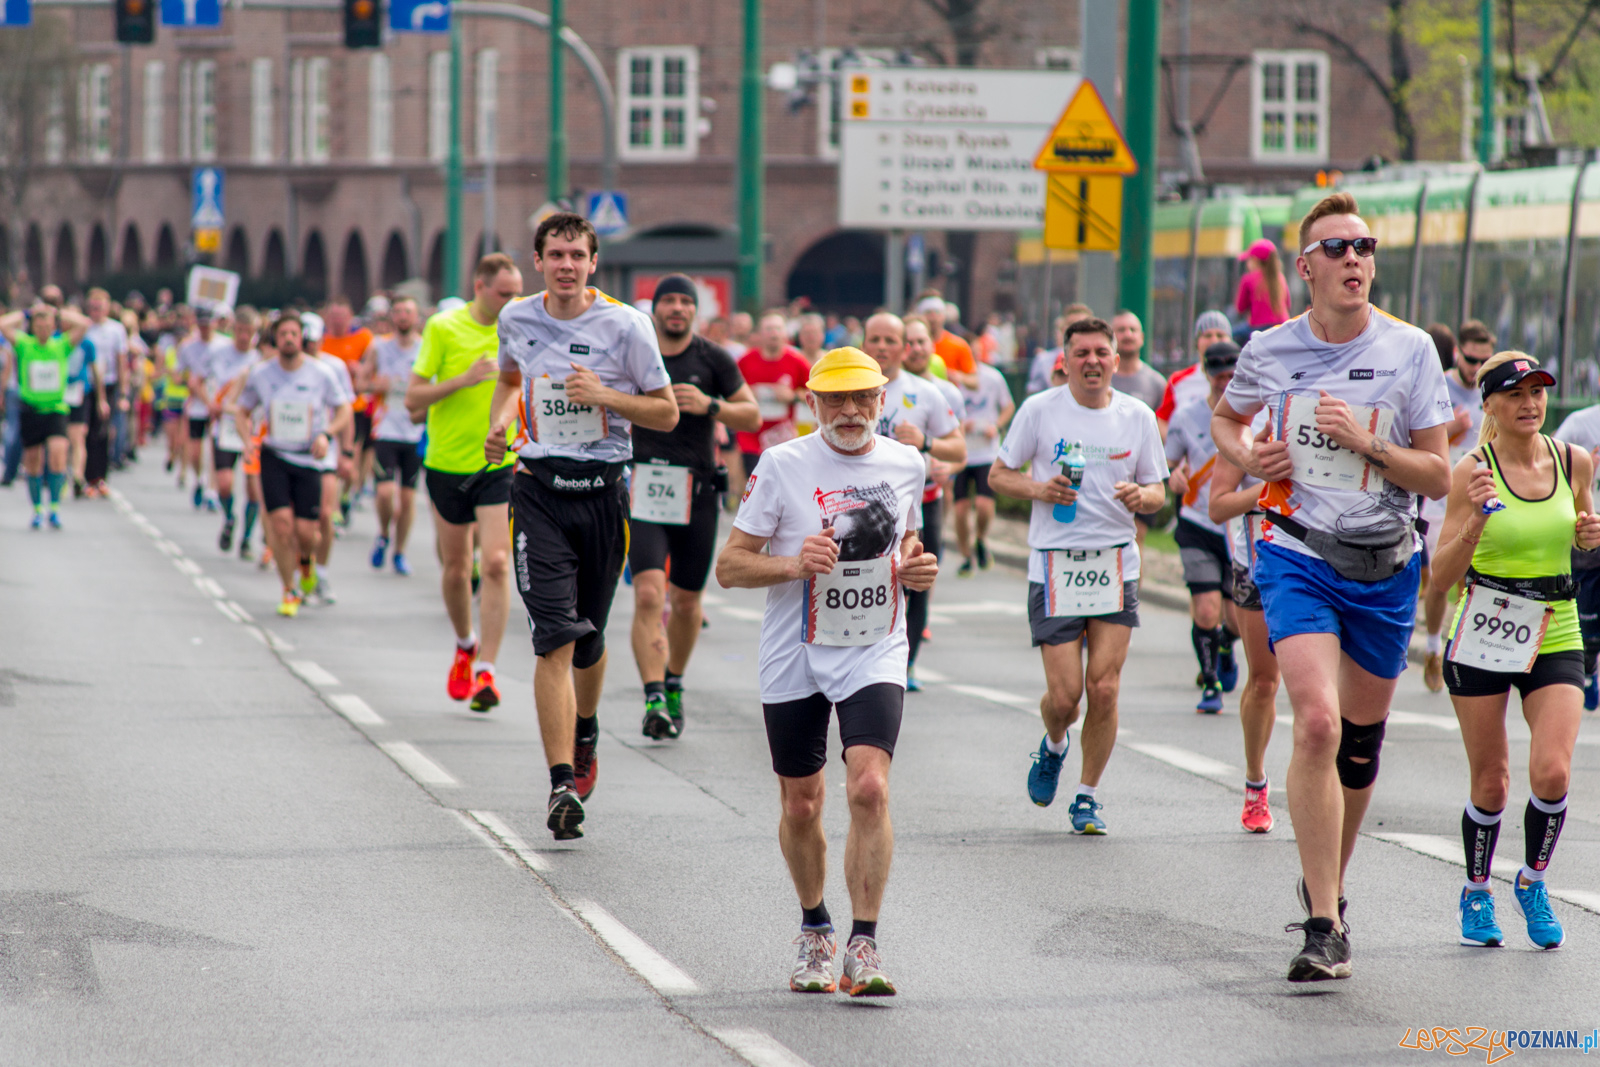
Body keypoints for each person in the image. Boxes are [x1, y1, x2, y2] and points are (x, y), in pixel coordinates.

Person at [1211, 191, 1452, 982]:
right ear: (1305, 268)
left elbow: (1437, 471)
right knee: (1313, 721)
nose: (1355, 258)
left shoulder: (1412, 349)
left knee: (1357, 743)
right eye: (1338, 248)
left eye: (1365, 246)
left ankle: (1331, 887)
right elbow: (1226, 419)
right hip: (1297, 550)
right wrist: (1249, 460)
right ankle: (1322, 921)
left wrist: (1368, 444)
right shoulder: (1268, 348)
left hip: (1384, 565)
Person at [716, 346, 938, 997]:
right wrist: (792, 563)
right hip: (796, 650)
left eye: (861, 397)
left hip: (875, 645)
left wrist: (915, 564)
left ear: (880, 400)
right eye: (834, 399)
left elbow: (907, 543)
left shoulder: (905, 461)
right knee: (802, 799)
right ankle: (816, 928)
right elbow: (730, 566)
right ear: (812, 403)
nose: (849, 411)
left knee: (869, 787)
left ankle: (862, 944)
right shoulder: (782, 465)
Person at [485, 212, 678, 840]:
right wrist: (498, 424)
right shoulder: (515, 317)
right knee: (555, 637)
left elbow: (667, 413)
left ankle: (586, 728)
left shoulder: (627, 325)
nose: (566, 264)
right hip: (537, 489)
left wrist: (608, 398)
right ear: (537, 261)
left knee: (589, 640)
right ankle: (561, 782)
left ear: (593, 264)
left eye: (577, 254)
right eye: (555, 254)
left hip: (603, 496)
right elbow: (512, 377)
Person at [1429, 352, 1593, 951]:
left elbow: (1581, 525)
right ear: (1490, 406)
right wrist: (1473, 521)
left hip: (1556, 626)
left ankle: (1533, 880)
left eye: (1538, 391)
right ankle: (1476, 892)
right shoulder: (1469, 471)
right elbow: (1439, 577)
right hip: (1485, 629)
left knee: (1551, 771)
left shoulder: (1572, 459)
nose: (1530, 403)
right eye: (1516, 393)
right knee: (1493, 782)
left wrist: (1589, 533)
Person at [990, 317, 1168, 835]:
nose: (1092, 361)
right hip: (1054, 564)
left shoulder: (1137, 416)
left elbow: (1158, 490)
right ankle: (1054, 745)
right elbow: (998, 475)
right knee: (1066, 698)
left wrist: (1143, 498)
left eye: (1101, 352)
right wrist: (1039, 490)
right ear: (1064, 361)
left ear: (1116, 360)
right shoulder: (1039, 411)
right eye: (1081, 353)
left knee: (1105, 689)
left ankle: (1087, 796)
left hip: (1116, 562)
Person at [628, 274, 760, 739]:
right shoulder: (637, 349)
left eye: (686, 301)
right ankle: (653, 696)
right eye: (670, 301)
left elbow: (752, 413)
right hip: (645, 485)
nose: (677, 309)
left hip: (698, 490)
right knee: (648, 594)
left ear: (695, 311)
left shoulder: (712, 357)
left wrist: (710, 405)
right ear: (656, 308)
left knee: (685, 602)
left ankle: (674, 681)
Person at [406, 253, 524, 712]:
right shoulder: (443, 327)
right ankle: (464, 642)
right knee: (457, 569)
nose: (513, 301)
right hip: (447, 464)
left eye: (518, 293)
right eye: (504, 293)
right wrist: (464, 378)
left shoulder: (522, 329)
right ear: (480, 286)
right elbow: (414, 398)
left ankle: (487, 672)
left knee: (496, 563)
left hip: (498, 463)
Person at [863, 313, 964, 690]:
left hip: (920, 507)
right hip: (863, 510)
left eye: (891, 340)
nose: (883, 347)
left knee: (915, 583)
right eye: (875, 339)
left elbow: (959, 448)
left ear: (905, 348)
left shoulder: (925, 392)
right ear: (863, 345)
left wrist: (927, 444)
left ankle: (904, 666)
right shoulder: (851, 391)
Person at [234, 314, 353, 617]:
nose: (288, 338)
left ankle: (307, 563)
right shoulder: (261, 373)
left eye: (294, 333)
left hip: (309, 457)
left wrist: (327, 435)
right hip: (275, 455)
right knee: (281, 526)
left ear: (302, 338)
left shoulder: (321, 373)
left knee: (306, 532)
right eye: (283, 333)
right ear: (275, 339)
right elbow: (242, 410)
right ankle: (289, 589)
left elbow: (343, 409)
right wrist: (248, 440)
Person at [1210, 424, 1281, 834]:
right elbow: (1217, 507)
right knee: (1264, 683)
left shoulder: (1331, 413)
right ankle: (1256, 782)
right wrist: (1268, 486)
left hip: (1320, 565)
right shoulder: (1243, 429)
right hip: (1258, 565)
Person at [1166, 342, 1244, 713]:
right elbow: (1168, 465)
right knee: (1207, 609)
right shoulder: (1186, 416)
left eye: (1232, 375)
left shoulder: (1256, 414)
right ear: (1207, 374)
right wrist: (1175, 476)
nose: (1225, 382)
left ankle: (1226, 644)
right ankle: (1210, 681)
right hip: (1198, 522)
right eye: (1219, 376)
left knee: (1238, 620)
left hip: (1240, 529)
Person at [1420, 320, 1490, 693]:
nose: (1475, 368)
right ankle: (1433, 646)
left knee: (1477, 579)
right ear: (1457, 354)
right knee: (1440, 579)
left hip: (1481, 496)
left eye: (1483, 360)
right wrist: (1452, 429)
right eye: (1470, 359)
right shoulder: (1439, 386)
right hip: (1440, 500)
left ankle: (1465, 649)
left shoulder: (1492, 391)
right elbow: (1418, 440)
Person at [1, 302, 90, 528]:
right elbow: (3, 324)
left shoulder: (61, 345)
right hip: (31, 409)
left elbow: (84, 323)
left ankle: (55, 508)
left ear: (53, 327)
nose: (43, 331)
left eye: (47, 326)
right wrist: (26, 311)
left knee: (58, 454)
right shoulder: (25, 344)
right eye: (39, 326)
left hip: (56, 409)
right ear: (33, 327)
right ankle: (37, 509)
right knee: (33, 462)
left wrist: (58, 311)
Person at [361, 297, 426, 575]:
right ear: (391, 317)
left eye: (407, 312)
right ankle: (384, 533)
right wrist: (377, 384)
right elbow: (360, 383)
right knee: (386, 493)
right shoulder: (379, 347)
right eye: (398, 312)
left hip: (415, 431)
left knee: (408, 500)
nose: (402, 317)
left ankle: (399, 552)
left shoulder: (426, 347)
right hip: (386, 429)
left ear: (416, 316)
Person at [949, 330, 1015, 576]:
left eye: (976, 351)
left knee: (985, 506)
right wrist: (958, 425)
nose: (973, 356)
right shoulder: (953, 379)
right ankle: (966, 556)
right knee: (960, 510)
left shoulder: (993, 377)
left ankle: (981, 539)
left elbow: (1008, 406)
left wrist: (996, 426)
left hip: (986, 452)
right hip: (961, 453)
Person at [1552, 396, 1600, 709]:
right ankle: (1588, 663)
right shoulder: (1580, 424)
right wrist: (1587, 470)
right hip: (1589, 538)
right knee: (1590, 628)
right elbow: (1547, 471)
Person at [202, 306, 261, 552]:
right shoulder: (218, 352)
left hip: (252, 428)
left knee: (253, 489)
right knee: (225, 483)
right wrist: (210, 403)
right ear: (233, 329)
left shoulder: (260, 360)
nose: (243, 336)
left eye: (248, 331)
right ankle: (229, 519)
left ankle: (247, 537)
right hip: (225, 426)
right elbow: (198, 380)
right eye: (239, 330)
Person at [1110, 309, 1167, 559]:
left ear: (1142, 337)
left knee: (1136, 541)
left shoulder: (1156, 383)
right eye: (1120, 330)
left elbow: (1165, 429)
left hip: (1141, 475)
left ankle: (1132, 594)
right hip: (1107, 470)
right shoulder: (1104, 379)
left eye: (1132, 330)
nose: (1127, 335)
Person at [736, 311, 812, 486]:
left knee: (781, 484)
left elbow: (814, 394)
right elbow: (730, 390)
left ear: (785, 333)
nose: (774, 333)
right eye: (769, 329)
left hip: (782, 435)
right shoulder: (746, 361)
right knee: (755, 483)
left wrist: (792, 396)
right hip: (751, 434)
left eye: (778, 329)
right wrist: (747, 393)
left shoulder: (796, 361)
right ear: (760, 334)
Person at [320, 297, 376, 524]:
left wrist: (361, 370)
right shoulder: (321, 339)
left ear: (350, 317)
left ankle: (345, 495)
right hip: (328, 409)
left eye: (342, 316)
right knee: (332, 461)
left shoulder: (363, 338)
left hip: (355, 408)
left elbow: (374, 366)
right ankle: (332, 505)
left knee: (349, 463)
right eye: (333, 316)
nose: (338, 321)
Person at [178, 305, 233, 509]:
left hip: (219, 406)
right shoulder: (188, 346)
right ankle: (199, 480)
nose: (205, 329)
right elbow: (183, 375)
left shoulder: (224, 345)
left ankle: (211, 491)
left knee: (214, 447)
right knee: (194, 451)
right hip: (198, 405)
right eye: (201, 325)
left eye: (208, 325)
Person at [1155, 310, 1234, 440]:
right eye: (1207, 335)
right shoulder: (1179, 380)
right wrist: (1178, 448)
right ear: (1197, 342)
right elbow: (1163, 421)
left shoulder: (1242, 379)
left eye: (1220, 335)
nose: (1214, 340)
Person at [83, 288, 131, 471]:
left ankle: (100, 474)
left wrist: (123, 393)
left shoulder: (116, 329)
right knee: (86, 429)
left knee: (103, 430)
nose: (96, 311)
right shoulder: (85, 327)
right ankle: (84, 471)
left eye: (99, 307)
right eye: (92, 307)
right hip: (87, 384)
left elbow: (122, 361)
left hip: (109, 382)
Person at [1027, 304, 1093, 396]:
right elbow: (1032, 397)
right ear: (1063, 329)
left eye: (1084, 325)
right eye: (1072, 325)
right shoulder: (1043, 361)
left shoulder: (1098, 361)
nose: (1079, 329)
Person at [915, 294, 977, 389]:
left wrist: (956, 376)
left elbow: (974, 382)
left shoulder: (958, 344)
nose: (933, 317)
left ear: (944, 315)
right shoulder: (912, 344)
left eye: (936, 312)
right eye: (928, 312)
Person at [1234, 238, 1291, 340]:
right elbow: (1288, 304)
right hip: (1282, 327)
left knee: (1232, 335)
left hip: (1258, 328)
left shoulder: (1248, 278)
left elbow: (1240, 308)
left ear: (1255, 260)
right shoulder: (1280, 277)